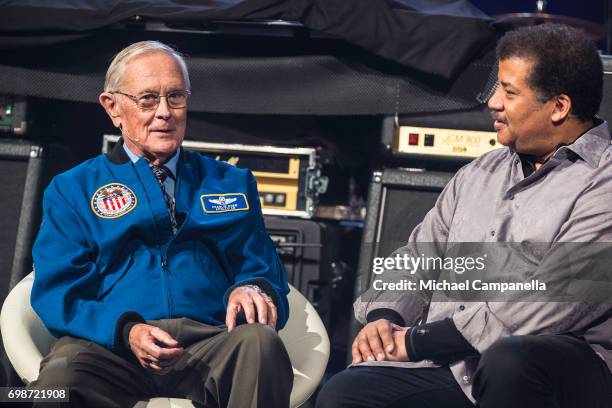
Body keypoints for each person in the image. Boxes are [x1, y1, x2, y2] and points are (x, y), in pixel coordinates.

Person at [317, 24, 612, 408]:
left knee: (510, 361)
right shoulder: (479, 173)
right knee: (344, 394)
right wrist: (384, 318)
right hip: (458, 367)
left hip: (556, 371)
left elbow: (549, 303)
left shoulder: (603, 181)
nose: (492, 102)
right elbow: (419, 257)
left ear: (559, 107)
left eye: (508, 92)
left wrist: (415, 341)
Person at [28, 41, 293, 408]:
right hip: (112, 348)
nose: (165, 113)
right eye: (148, 99)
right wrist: (126, 330)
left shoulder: (231, 183)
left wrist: (252, 287)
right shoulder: (72, 189)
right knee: (56, 380)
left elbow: (264, 270)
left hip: (210, 342)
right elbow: (58, 293)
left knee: (261, 345)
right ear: (113, 107)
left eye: (175, 97)